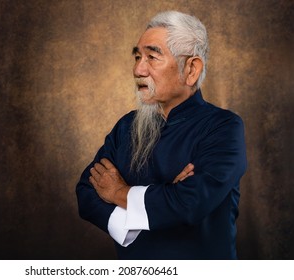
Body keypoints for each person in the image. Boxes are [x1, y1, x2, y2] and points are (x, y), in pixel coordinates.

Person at [76, 10, 247, 260]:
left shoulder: (223, 127)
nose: (138, 69)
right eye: (137, 56)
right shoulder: (126, 127)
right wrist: (163, 198)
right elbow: (86, 193)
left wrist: (119, 193)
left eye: (152, 57)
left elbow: (191, 203)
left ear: (191, 69)